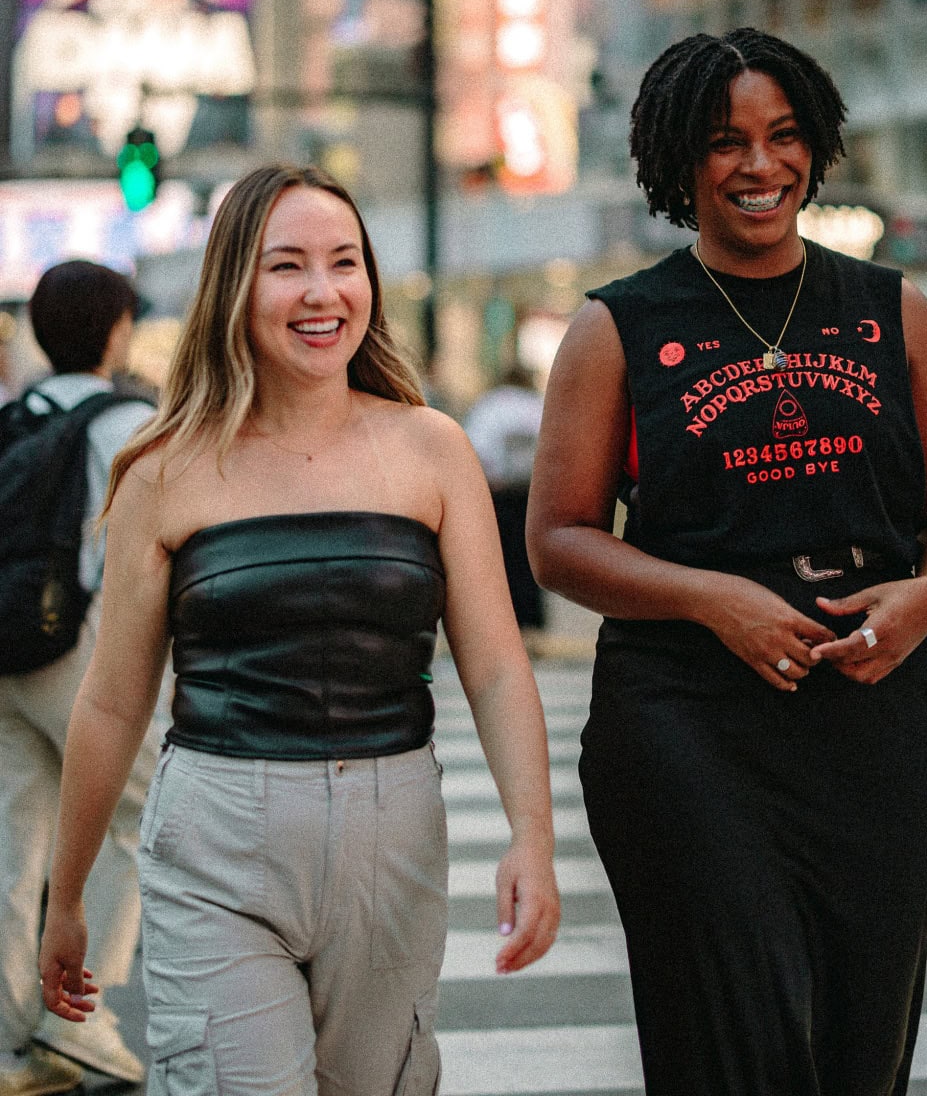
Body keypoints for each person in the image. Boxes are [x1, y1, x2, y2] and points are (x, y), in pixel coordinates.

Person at [527, 28, 927, 1096]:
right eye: (724, 140)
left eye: (783, 136)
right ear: (678, 160)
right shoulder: (617, 327)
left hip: (870, 712)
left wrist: (925, 598)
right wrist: (711, 600)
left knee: (860, 1046)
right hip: (686, 721)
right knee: (730, 1042)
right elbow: (558, 539)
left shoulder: (890, 309)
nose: (758, 164)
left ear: (814, 145)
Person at [38, 164, 559, 1096]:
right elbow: (113, 701)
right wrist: (67, 894)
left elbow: (492, 666)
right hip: (215, 837)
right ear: (234, 288)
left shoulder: (432, 447)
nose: (322, 292)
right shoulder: (162, 468)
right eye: (287, 266)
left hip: (393, 831)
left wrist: (533, 836)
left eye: (344, 262)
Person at [0, 260, 158, 1096]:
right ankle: (79, 1020)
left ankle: (11, 1040)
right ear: (117, 330)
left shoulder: (11, 415)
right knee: (132, 814)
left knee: (16, 840)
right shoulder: (130, 422)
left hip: (6, 651)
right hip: (82, 650)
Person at [464, 365, 546, 638]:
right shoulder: (536, 405)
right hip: (532, 493)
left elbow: (477, 446)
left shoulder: (491, 405)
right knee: (529, 558)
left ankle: (501, 623)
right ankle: (531, 623)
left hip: (499, 493)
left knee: (500, 558)